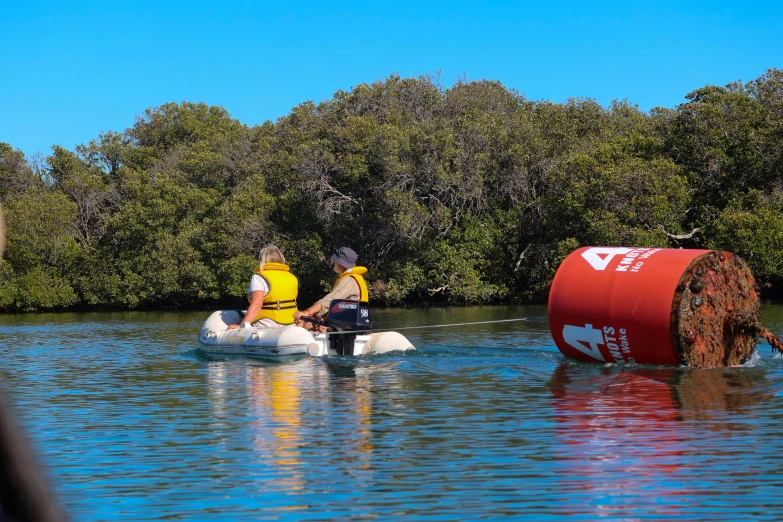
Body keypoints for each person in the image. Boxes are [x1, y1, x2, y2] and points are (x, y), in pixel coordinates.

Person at [227, 245, 299, 330]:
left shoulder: (259, 277)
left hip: (267, 323)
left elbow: (257, 304)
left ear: (262, 259)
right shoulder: (291, 277)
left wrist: (242, 325)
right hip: (291, 322)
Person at [293, 247, 368, 327]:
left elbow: (329, 301)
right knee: (308, 321)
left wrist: (307, 312)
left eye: (335, 261)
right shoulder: (355, 278)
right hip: (347, 321)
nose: (333, 262)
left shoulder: (348, 280)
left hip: (345, 325)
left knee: (300, 324)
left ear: (340, 264)